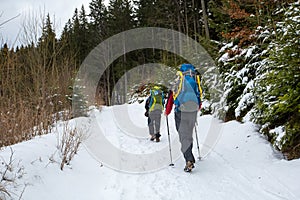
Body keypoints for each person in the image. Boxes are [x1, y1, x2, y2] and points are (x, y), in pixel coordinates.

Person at [164, 64, 202, 172]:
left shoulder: (178, 80)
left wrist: (167, 111)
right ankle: (189, 155)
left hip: (181, 111)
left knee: (183, 136)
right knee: (188, 134)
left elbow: (171, 97)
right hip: (193, 110)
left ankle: (189, 160)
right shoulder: (194, 78)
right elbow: (199, 95)